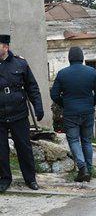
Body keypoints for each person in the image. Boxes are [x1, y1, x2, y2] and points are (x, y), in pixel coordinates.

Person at [50, 47, 96, 182]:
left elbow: (54, 94)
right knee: (87, 141)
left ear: (69, 58)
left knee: (74, 140)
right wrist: (90, 103)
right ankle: (89, 169)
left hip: (70, 113)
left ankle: (82, 168)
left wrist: (65, 104)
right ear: (82, 58)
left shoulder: (62, 74)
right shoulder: (91, 72)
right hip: (87, 112)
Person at [0, 34, 43, 192]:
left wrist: (38, 107)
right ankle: (4, 179)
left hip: (18, 113)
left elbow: (32, 87)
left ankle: (30, 179)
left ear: (5, 47)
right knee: (1, 150)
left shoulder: (20, 63)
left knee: (24, 147)